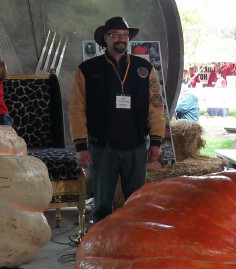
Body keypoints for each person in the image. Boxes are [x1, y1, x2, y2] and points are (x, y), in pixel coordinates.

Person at [69, 16, 165, 223]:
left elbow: (156, 107)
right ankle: (100, 246)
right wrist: (80, 146)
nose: (121, 39)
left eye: (125, 35)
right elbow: (76, 110)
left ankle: (133, 243)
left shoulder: (144, 69)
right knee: (102, 205)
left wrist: (156, 141)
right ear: (106, 38)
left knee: (136, 202)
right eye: (115, 34)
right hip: (102, 147)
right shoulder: (87, 69)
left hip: (136, 146)